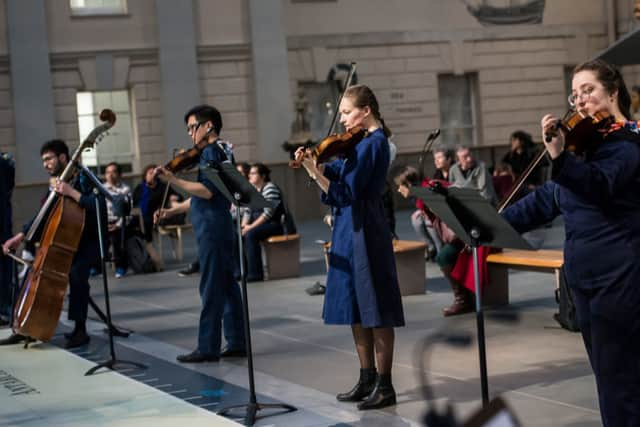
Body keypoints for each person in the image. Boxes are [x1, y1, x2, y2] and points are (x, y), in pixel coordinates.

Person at [502, 59, 640, 426]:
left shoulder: (628, 145)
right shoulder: (586, 149)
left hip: (620, 277)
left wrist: (560, 156)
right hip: (584, 280)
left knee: (620, 383)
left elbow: (598, 184)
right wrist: (488, 222)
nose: (579, 101)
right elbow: (548, 198)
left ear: (612, 93)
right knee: (610, 377)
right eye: (575, 93)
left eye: (588, 90)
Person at [294, 84, 404, 410]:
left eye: (346, 112)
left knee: (376, 308)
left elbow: (346, 193)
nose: (342, 119)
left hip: (366, 228)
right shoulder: (356, 144)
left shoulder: (374, 143)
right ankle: (367, 377)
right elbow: (340, 174)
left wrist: (314, 171)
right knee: (356, 306)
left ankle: (385, 386)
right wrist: (317, 162)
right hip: (348, 226)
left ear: (365, 110)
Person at [154, 104, 245, 362]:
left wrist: (173, 180)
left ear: (209, 126)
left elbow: (207, 191)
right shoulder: (219, 151)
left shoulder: (210, 153)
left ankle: (208, 347)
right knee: (227, 284)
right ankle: (237, 341)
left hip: (212, 228)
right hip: (217, 223)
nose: (190, 134)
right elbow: (202, 197)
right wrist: (171, 212)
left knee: (211, 287)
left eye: (193, 127)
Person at [1, 139, 104, 348]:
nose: (45, 164)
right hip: (63, 242)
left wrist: (72, 193)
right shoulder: (57, 182)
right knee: (32, 273)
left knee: (77, 278)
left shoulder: (83, 178)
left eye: (48, 159)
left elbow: (99, 205)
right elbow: (43, 215)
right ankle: (25, 326)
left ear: (63, 157)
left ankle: (80, 331)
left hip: (85, 243)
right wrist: (19, 237)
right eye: (43, 160)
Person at [393, 165, 471, 316]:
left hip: (465, 235)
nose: (398, 190)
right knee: (444, 254)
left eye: (400, 186)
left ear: (408, 184)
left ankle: (462, 301)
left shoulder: (427, 194)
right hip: (462, 233)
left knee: (443, 257)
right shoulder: (427, 188)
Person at [241, 163, 284, 282]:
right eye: (249, 173)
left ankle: (255, 274)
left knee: (251, 235)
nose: (249, 175)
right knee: (238, 234)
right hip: (258, 225)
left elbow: (268, 214)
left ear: (263, 176)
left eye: (253, 173)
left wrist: (249, 228)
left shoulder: (270, 188)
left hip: (273, 225)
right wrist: (243, 226)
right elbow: (248, 211)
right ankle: (241, 271)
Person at [409, 147, 455, 259]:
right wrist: (422, 209)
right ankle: (431, 247)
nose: (436, 161)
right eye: (435, 158)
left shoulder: (455, 171)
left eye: (439, 157)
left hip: (449, 209)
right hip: (438, 207)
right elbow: (429, 192)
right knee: (416, 219)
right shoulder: (437, 175)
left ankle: (440, 247)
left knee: (428, 219)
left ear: (449, 159)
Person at [103, 162, 131, 278]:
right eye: (108, 172)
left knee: (118, 237)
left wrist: (118, 225)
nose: (110, 175)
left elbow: (128, 212)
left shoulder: (125, 189)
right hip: (104, 222)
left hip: (120, 222)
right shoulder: (101, 189)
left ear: (119, 174)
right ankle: (96, 266)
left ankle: (121, 266)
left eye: (113, 172)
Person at [0, 152, 15, 326]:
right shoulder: (6, 162)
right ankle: (4, 307)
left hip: (3, 224)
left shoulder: (5, 163)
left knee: (4, 269)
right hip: (4, 222)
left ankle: (4, 308)